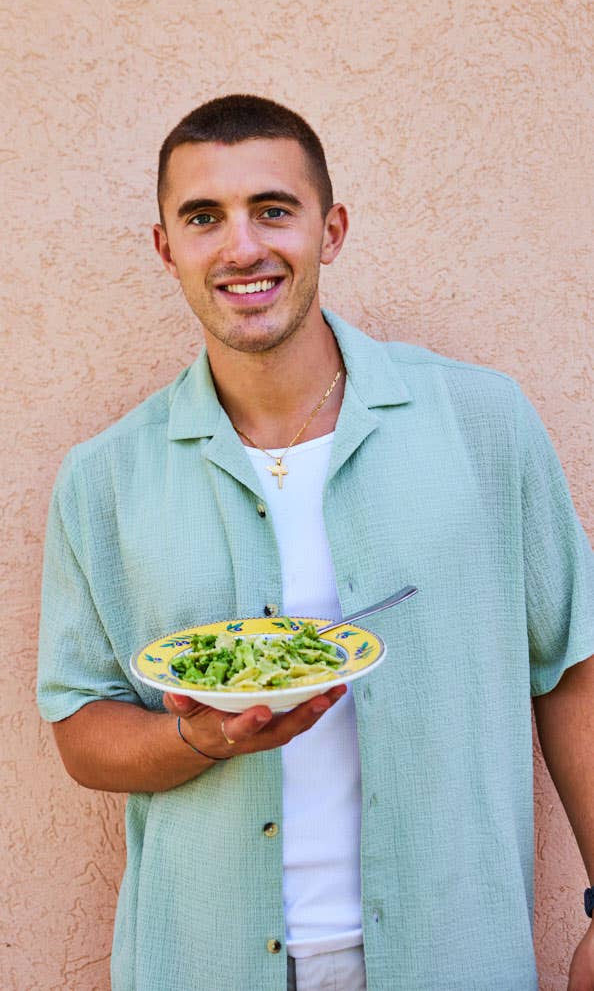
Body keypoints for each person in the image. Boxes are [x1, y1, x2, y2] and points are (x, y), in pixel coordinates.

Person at [37, 94, 594, 991]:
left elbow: (572, 663)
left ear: (329, 230)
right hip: (206, 962)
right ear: (166, 247)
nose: (242, 247)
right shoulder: (103, 478)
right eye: (204, 217)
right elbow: (79, 724)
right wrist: (205, 740)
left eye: (273, 209)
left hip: (452, 953)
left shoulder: (483, 423)